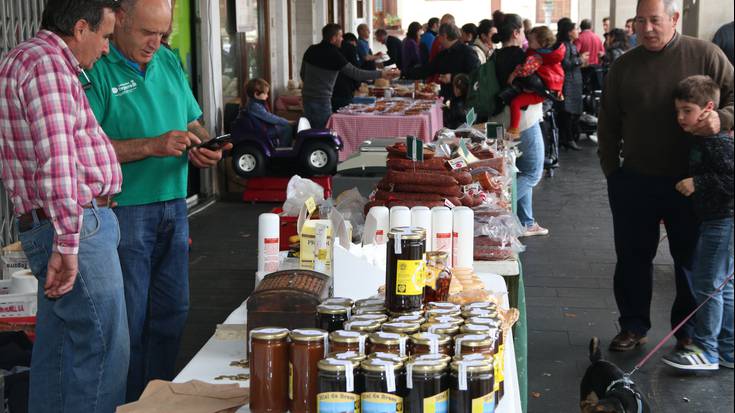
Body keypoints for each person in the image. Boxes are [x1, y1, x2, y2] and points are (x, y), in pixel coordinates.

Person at [83, 0, 232, 401]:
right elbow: (87, 148)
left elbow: (190, 121)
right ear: (120, 20)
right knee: (130, 321)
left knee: (172, 313)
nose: (157, 42)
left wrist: (205, 145)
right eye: (148, 32)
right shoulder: (96, 66)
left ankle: (160, 399)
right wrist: (151, 145)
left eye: (163, 33)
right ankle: (128, 404)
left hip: (174, 205)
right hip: (123, 211)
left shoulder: (167, 61)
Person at [0, 0, 129, 411]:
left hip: (59, 223)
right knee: (105, 350)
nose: (107, 48)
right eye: (105, 36)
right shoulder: (48, 67)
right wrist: (70, 245)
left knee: (57, 354)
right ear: (79, 28)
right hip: (75, 224)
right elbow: (57, 162)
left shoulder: (22, 58)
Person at [597, 0, 734, 353]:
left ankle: (687, 330)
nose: (647, 28)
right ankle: (633, 325)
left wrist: (723, 117)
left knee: (689, 260)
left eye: (654, 20)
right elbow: (609, 121)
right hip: (636, 179)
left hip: (691, 183)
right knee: (631, 257)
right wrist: (612, 171)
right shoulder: (624, 65)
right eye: (640, 21)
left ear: (674, 19)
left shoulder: (706, 54)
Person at [661, 75, 734, 371]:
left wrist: (698, 183)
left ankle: (707, 350)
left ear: (708, 108)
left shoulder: (718, 142)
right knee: (723, 287)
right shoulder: (703, 139)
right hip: (716, 220)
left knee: (707, 285)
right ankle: (728, 349)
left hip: (723, 221)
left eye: (687, 110)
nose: (680, 117)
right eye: (677, 110)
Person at [490, 11, 548, 237]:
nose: (525, 35)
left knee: (519, 170)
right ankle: (495, 206)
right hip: (524, 120)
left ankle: (526, 221)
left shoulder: (496, 55)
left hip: (504, 120)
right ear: (516, 32)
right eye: (523, 31)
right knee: (533, 172)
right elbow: (532, 83)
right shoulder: (519, 56)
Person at [301, 24, 399, 128]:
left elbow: (302, 74)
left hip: (306, 99)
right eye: (340, 36)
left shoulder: (311, 49)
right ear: (333, 38)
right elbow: (356, 73)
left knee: (308, 130)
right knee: (322, 134)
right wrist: (381, 74)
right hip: (322, 101)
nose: (342, 39)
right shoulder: (334, 54)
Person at [502, 26, 565, 137]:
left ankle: (513, 130)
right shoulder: (551, 54)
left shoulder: (537, 56)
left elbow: (525, 70)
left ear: (541, 42)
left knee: (515, 103)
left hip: (539, 93)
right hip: (548, 90)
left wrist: (513, 74)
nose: (528, 42)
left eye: (531, 41)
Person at [408, 23, 480, 101]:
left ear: (444, 36)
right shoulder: (443, 54)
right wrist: (403, 73)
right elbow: (426, 70)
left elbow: (476, 76)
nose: (438, 39)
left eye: (439, 36)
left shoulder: (467, 52)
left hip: (464, 102)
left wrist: (452, 78)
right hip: (446, 100)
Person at [556, 18, 587, 151]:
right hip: (568, 83)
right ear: (569, 32)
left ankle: (568, 138)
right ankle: (567, 139)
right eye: (575, 29)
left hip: (573, 83)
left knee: (571, 113)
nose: (577, 31)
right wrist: (580, 60)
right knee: (567, 113)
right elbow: (565, 64)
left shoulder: (570, 44)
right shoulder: (565, 45)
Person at [244, 78, 293, 146]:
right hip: (262, 131)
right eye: (265, 93)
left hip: (262, 128)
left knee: (283, 125)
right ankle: (283, 150)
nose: (267, 96)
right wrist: (287, 122)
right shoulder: (255, 106)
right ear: (256, 94)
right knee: (287, 128)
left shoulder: (255, 103)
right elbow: (270, 117)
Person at [333, 32, 361, 111]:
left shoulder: (323, 49)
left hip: (328, 92)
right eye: (340, 36)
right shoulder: (350, 48)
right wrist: (357, 85)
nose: (341, 39)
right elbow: (356, 70)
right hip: (345, 90)